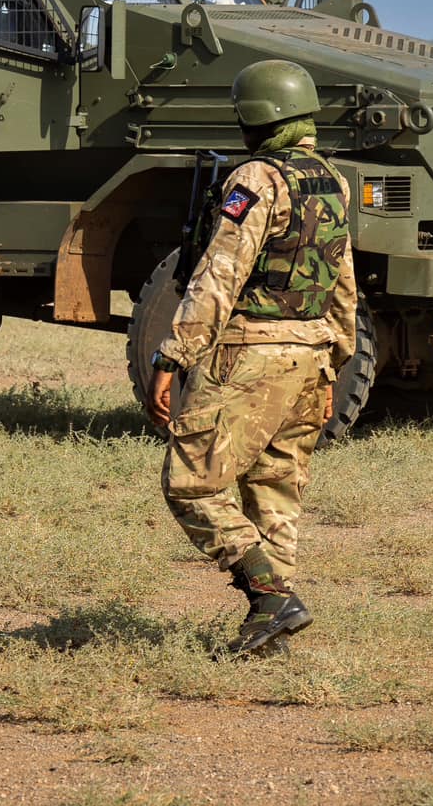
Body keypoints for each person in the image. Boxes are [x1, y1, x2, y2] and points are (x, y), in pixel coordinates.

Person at [146, 58, 357, 657]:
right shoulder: (334, 182)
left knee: (190, 484)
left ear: (255, 118)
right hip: (311, 358)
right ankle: (270, 634)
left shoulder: (256, 180)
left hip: (250, 356)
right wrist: (336, 355)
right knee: (274, 490)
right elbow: (342, 277)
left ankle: (270, 600)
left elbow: (219, 275)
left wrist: (173, 354)